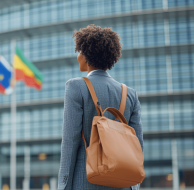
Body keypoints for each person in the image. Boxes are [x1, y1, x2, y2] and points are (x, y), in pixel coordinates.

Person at [57, 24, 143, 190]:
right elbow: (137, 145)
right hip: (122, 184)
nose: (78, 56)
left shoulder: (76, 87)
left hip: (85, 182)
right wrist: (134, 186)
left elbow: (70, 141)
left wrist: (63, 186)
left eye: (79, 51)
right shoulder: (130, 94)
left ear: (86, 55)